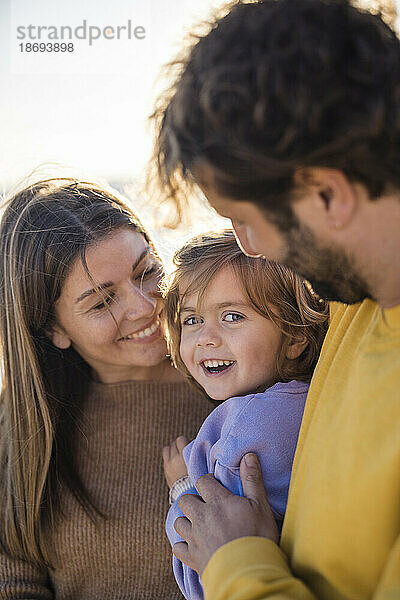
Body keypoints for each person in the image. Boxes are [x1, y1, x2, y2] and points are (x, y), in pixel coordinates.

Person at [151, 0, 400, 598]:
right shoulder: (351, 305)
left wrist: (237, 564)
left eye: (242, 219)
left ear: (325, 194)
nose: (247, 248)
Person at [0, 178, 212, 599]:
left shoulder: (237, 381)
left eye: (147, 271)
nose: (144, 305)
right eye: (101, 302)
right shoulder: (23, 433)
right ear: (52, 328)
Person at [161, 231, 328, 599]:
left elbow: (205, 572)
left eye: (232, 316)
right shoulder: (302, 401)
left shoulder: (249, 428)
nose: (206, 337)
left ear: (295, 335)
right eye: (191, 320)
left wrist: (182, 488)